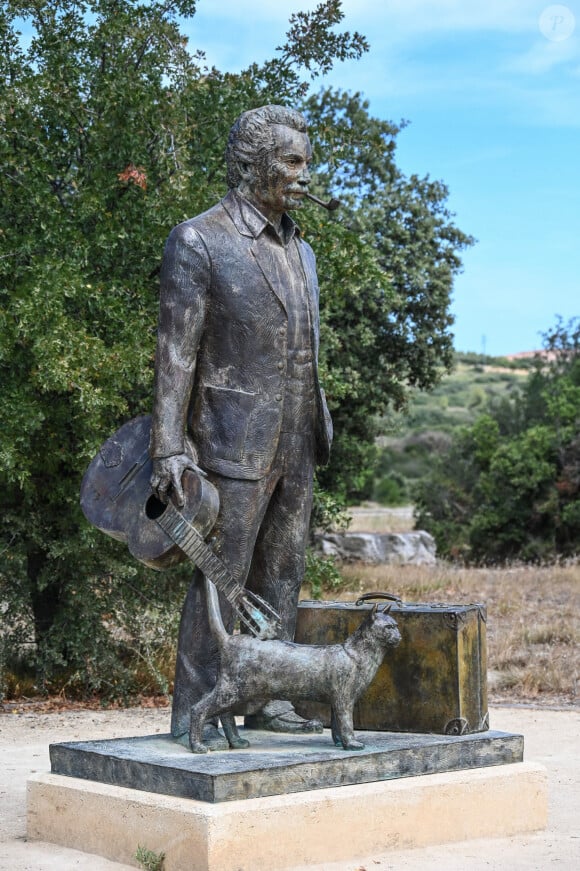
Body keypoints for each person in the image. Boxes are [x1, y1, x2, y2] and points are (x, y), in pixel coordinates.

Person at [149, 105, 333, 746]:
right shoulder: (200, 240)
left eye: (305, 161)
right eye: (291, 161)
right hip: (230, 439)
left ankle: (270, 700)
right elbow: (176, 349)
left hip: (298, 436)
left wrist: (313, 423)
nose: (303, 173)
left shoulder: (303, 251)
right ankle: (196, 708)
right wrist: (169, 445)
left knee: (281, 574)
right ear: (251, 164)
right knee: (219, 583)